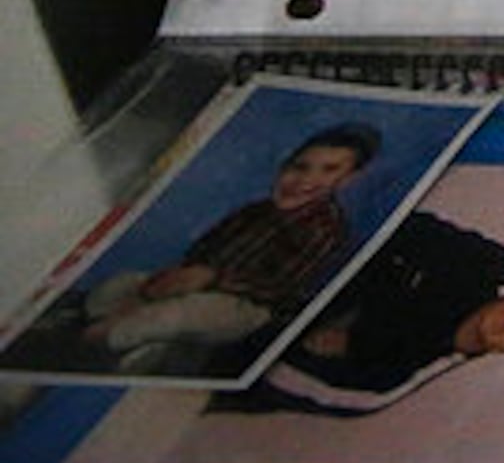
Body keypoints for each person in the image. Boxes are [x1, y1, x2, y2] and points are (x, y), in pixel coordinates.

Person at [216, 207, 504, 417]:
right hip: (239, 245)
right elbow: (375, 220)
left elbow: (245, 365)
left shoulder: (383, 382)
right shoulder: (480, 262)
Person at [52, 124, 377, 372]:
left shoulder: (324, 228)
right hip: (198, 285)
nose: (304, 179)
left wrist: (211, 279)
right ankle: (90, 316)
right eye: (299, 166)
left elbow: (280, 287)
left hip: (249, 308)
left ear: (349, 180)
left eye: (329, 170)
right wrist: (175, 280)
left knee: (177, 313)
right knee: (125, 283)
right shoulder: (254, 212)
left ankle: (104, 341)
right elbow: (204, 249)